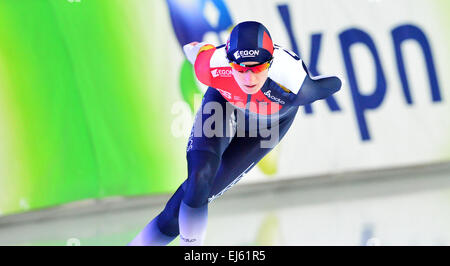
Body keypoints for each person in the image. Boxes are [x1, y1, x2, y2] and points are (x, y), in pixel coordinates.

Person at [128, 21, 341, 246]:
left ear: (270, 63)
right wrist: (195, 49)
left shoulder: (291, 81)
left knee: (199, 194)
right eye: (240, 68)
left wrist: (331, 83)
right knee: (199, 179)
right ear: (229, 62)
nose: (249, 78)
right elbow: (196, 51)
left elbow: (325, 87)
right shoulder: (210, 66)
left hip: (268, 126)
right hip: (224, 104)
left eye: (257, 68)